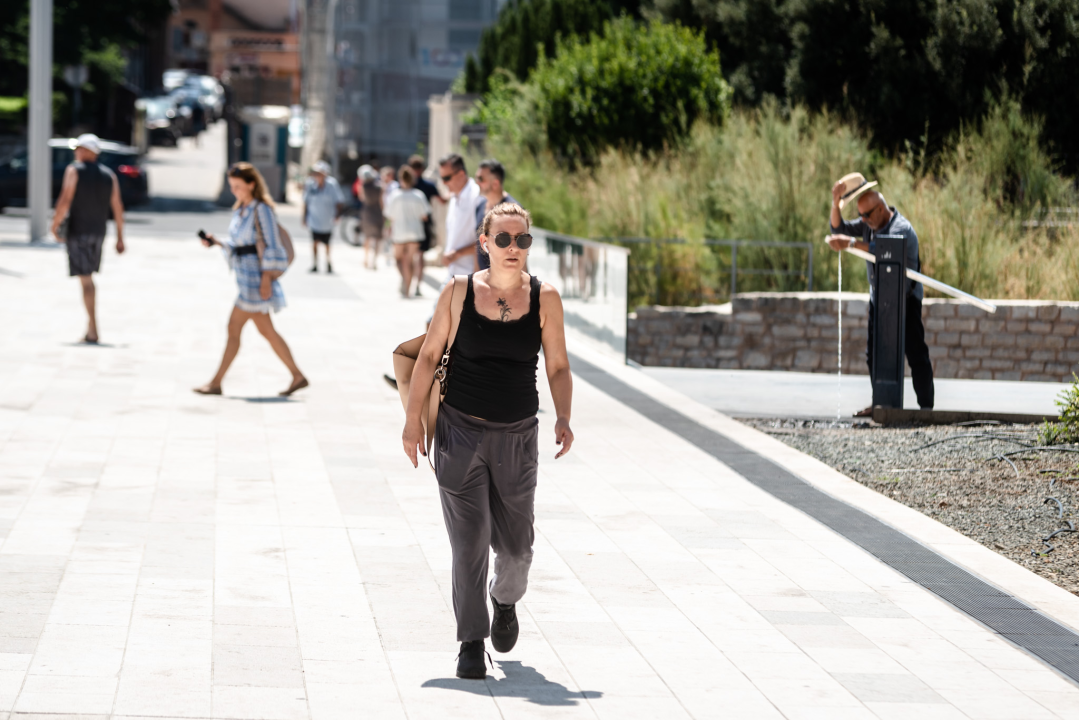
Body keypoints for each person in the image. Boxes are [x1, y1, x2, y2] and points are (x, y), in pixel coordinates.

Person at [402, 202, 575, 680]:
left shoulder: (546, 298)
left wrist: (564, 416)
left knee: (517, 548)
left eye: (522, 240)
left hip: (518, 436)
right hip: (459, 432)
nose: (513, 248)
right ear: (484, 244)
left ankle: (504, 599)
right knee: (469, 542)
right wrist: (413, 421)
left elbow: (558, 366)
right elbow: (429, 354)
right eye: (503, 239)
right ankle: (471, 642)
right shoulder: (457, 292)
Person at [194, 162, 308, 397]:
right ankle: (297, 375)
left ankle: (216, 383)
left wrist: (267, 278)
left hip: (255, 281)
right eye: (232, 187)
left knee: (234, 327)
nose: (235, 191)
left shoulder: (261, 209)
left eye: (238, 186)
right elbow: (240, 244)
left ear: (251, 184)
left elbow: (273, 246)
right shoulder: (241, 209)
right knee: (266, 331)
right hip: (244, 278)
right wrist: (216, 242)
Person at [827, 172, 934, 415]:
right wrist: (836, 204)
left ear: (880, 209)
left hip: (905, 300)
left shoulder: (902, 228)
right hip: (880, 300)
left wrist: (851, 243)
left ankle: (927, 408)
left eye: (866, 215)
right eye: (860, 215)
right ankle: (881, 405)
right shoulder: (868, 224)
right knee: (873, 355)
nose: (862, 220)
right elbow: (838, 227)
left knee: (916, 354)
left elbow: (885, 249)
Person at [50, 133, 125, 344]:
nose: (76, 152)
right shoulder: (109, 175)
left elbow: (65, 199)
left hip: (78, 231)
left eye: (79, 148)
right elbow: (118, 207)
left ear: (89, 151)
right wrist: (120, 237)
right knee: (88, 276)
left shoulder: (74, 170)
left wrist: (54, 225)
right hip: (99, 232)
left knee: (86, 279)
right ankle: (91, 327)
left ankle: (93, 328)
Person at [385, 165, 431, 298]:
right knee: (410, 261)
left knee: (398, 259)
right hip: (415, 232)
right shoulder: (419, 195)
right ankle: (408, 289)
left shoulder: (395, 196)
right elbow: (425, 215)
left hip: (399, 231)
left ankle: (404, 281)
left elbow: (389, 215)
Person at [439, 153, 481, 282]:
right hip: (453, 273)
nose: (444, 183)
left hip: (470, 276)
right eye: (442, 178)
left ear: (461, 174)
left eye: (447, 178)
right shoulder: (454, 196)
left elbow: (487, 239)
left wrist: (457, 253)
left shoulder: (478, 197)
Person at [409, 154, 444, 296]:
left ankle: (409, 281)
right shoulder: (429, 185)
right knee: (419, 256)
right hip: (423, 224)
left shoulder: (406, 185)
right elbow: (442, 200)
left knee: (412, 256)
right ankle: (416, 284)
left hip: (410, 224)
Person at [474, 159, 518, 271]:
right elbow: (478, 247)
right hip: (484, 282)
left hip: (506, 283)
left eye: (481, 179)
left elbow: (519, 251)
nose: (476, 182)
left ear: (495, 184)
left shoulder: (512, 211)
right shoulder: (480, 206)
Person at [302, 160, 345, 274]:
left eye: (319, 173)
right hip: (314, 218)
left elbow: (339, 201)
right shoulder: (310, 184)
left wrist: (337, 215)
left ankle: (328, 262)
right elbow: (305, 202)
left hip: (327, 219)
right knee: (314, 242)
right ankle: (315, 264)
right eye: (315, 173)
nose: (317, 176)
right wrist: (304, 217)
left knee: (327, 244)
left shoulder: (332, 185)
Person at [359, 165, 384, 270]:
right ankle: (373, 261)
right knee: (377, 238)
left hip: (367, 213)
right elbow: (381, 202)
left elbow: (361, 198)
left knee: (367, 238)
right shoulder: (380, 187)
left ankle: (365, 259)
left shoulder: (363, 187)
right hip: (377, 213)